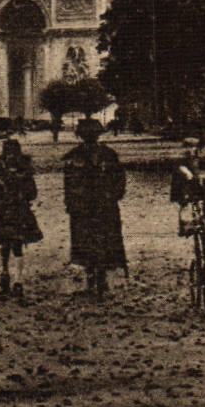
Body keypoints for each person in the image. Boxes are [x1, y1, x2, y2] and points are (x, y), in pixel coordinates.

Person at [63, 118, 128, 298]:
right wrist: (71, 202)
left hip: (104, 205)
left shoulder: (109, 155)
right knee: (85, 241)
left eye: (93, 134)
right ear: (81, 136)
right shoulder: (74, 156)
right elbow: (68, 182)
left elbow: (119, 178)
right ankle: (90, 275)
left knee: (105, 240)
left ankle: (102, 276)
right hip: (82, 207)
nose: (89, 138)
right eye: (86, 134)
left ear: (98, 135)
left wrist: (114, 195)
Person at [0, 138, 42, 300]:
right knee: (11, 244)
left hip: (11, 210)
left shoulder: (3, 170)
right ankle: (11, 277)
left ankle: (12, 277)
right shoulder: (16, 170)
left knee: (11, 244)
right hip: (12, 210)